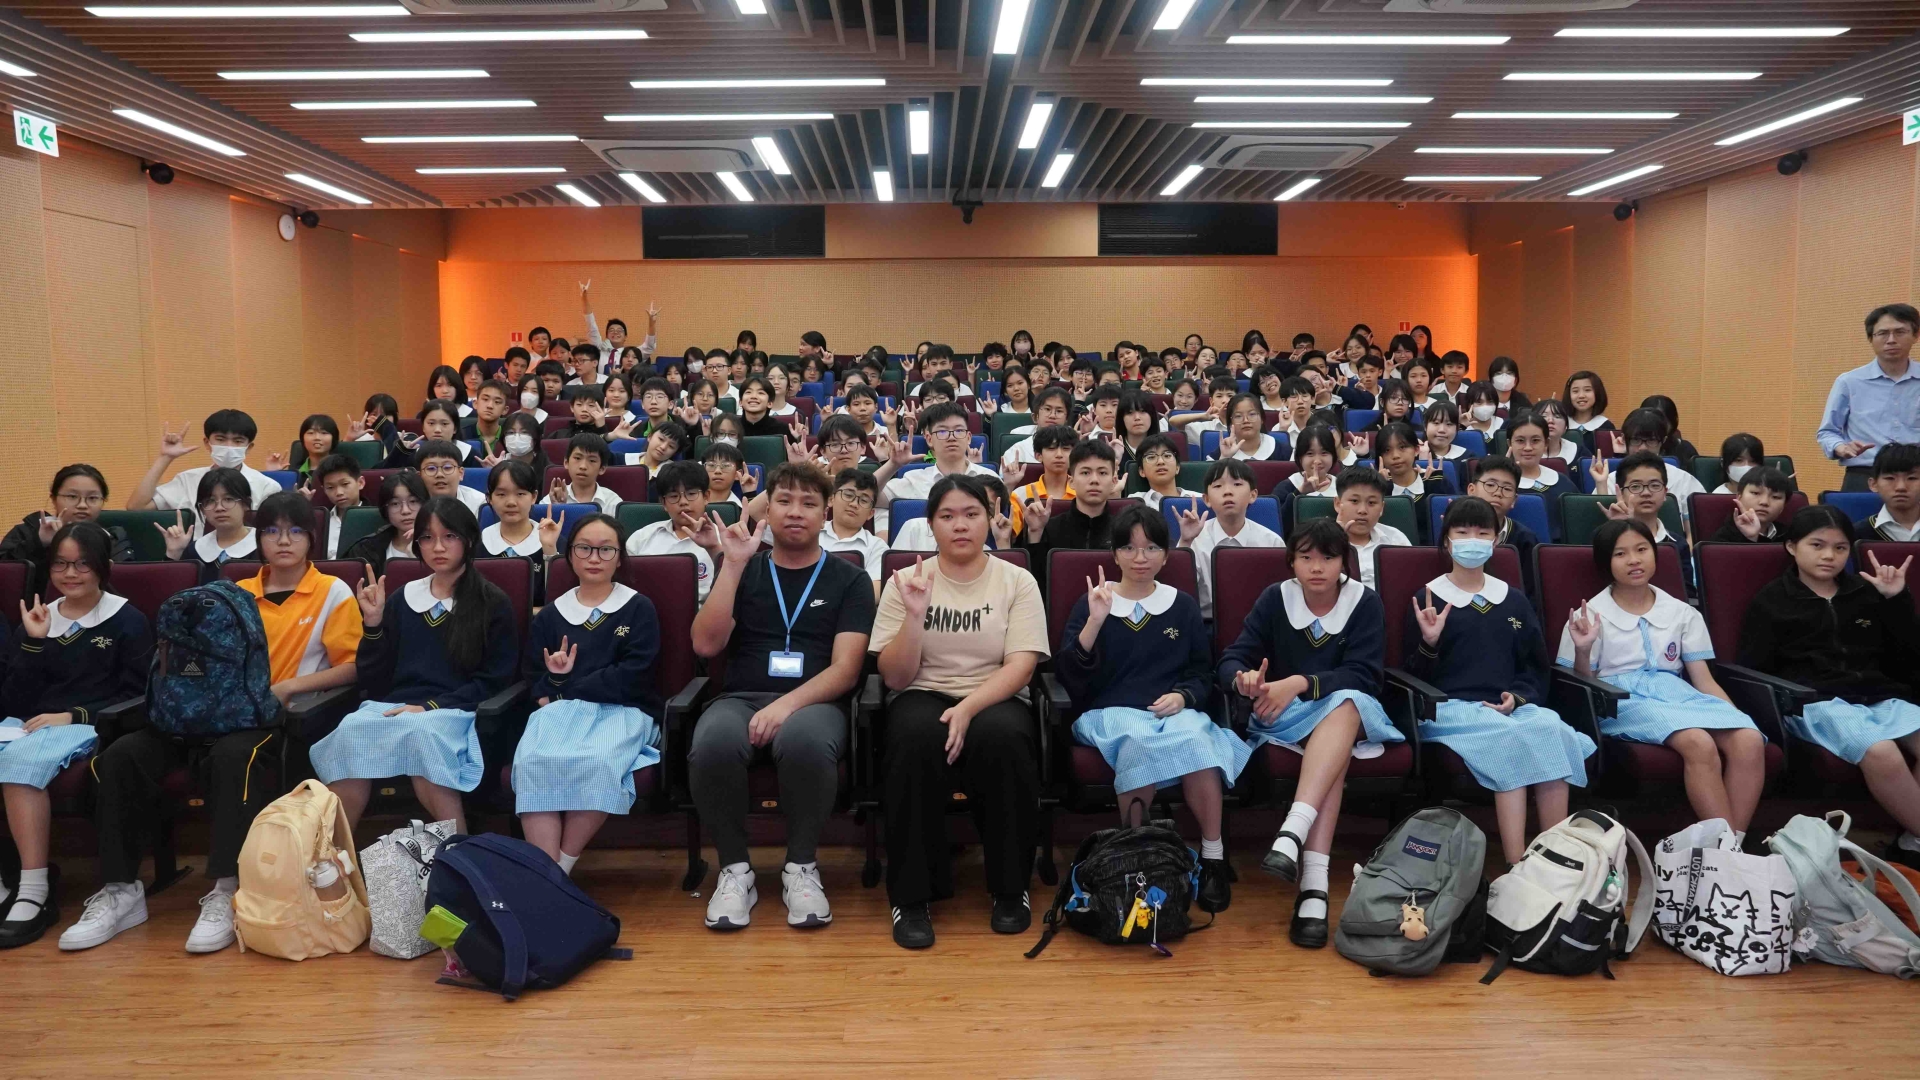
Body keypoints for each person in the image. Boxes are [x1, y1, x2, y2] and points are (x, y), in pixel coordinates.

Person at [70, 494, 364, 956]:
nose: (283, 541)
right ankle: (121, 890)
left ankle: (228, 888)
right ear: (258, 539)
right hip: (204, 711)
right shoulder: (233, 591)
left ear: (313, 538)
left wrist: (288, 687)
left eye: (295, 531)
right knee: (120, 757)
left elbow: (351, 666)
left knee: (234, 758)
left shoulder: (333, 591)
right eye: (271, 531)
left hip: (270, 717)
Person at [689, 463, 874, 931]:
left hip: (815, 702)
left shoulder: (850, 579)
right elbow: (705, 645)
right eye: (785, 501)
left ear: (825, 513)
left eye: (809, 503)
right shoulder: (743, 567)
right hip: (740, 697)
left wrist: (785, 706)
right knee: (712, 742)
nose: (795, 512)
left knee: (804, 740)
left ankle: (801, 868)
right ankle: (735, 871)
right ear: (766, 510)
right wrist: (731, 566)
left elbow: (847, 669)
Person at [873, 475, 1049, 949]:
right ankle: (912, 896)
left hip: (994, 693)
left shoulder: (1017, 579)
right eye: (947, 516)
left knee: (1005, 740)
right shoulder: (905, 580)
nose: (960, 525)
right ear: (930, 525)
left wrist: (969, 707)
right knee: (913, 740)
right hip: (922, 690)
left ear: (989, 519)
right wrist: (914, 616)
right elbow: (894, 677)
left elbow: (1022, 665)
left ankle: (1010, 889)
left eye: (971, 514)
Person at [1219, 518, 1402, 947]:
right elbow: (1232, 658)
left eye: (1328, 557)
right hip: (1286, 714)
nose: (1316, 567)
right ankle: (1312, 883)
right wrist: (1245, 680)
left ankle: (1296, 842)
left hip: (1344, 708)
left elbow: (1365, 675)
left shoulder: (1364, 602)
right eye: (1305, 557)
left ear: (1344, 562)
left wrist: (1299, 682)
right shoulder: (1275, 598)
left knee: (1347, 703)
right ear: (1291, 562)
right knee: (1334, 757)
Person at [1058, 507, 1243, 911]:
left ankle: (1213, 857)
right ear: (1114, 553)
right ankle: (1137, 859)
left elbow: (1201, 672)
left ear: (1165, 555)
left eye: (1151, 548)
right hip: (1108, 712)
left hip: (1171, 711)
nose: (1140, 558)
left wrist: (1183, 696)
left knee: (1198, 738)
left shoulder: (1182, 605)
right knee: (1137, 740)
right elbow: (1069, 676)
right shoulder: (1094, 602)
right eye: (1129, 548)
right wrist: (1095, 621)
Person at [1407, 496, 1594, 867]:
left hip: (1509, 708)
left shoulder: (1513, 599)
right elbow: (1411, 678)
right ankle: (1516, 864)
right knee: (1508, 738)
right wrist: (1429, 643)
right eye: (1462, 532)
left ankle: (1552, 858)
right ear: (1447, 540)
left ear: (1495, 541)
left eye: (1482, 533)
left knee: (1551, 728)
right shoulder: (1427, 597)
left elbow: (1534, 666)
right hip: (1450, 710)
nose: (1472, 540)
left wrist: (1517, 698)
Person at [312, 497, 518, 833]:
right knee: (351, 729)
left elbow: (494, 680)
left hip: (454, 710)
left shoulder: (491, 602)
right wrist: (373, 625)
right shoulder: (402, 598)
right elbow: (374, 680)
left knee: (423, 734)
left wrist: (428, 707)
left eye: (449, 536)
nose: (438, 547)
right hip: (396, 708)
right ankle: (334, 854)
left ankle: (457, 846)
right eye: (427, 538)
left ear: (469, 540)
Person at [1562, 519, 1765, 845]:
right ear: (1605, 562)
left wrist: (1733, 715)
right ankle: (1727, 852)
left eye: (1642, 550)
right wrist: (1583, 650)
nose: (1634, 560)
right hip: (1621, 698)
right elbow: (1584, 685)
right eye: (1620, 554)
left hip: (1676, 693)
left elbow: (1703, 679)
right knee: (1698, 742)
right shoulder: (1589, 615)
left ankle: (1730, 846)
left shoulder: (1682, 612)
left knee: (1750, 740)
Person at [1739, 506, 1920, 865]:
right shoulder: (1772, 601)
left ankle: (1912, 841)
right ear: (1792, 546)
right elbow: (1752, 668)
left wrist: (1896, 599)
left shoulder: (1865, 592)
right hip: (1814, 702)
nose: (1829, 556)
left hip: (1877, 695)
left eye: (1840, 548)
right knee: (1881, 750)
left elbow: (1906, 656)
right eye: (1817, 545)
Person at [0, 523, 152, 947]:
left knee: (20, 765)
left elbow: (140, 696)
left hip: (89, 725)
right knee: (18, 751)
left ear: (102, 567)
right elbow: (14, 699)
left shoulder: (127, 620)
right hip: (28, 725)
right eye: (61, 564)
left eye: (82, 564)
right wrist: (33, 642)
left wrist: (73, 715)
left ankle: (33, 891)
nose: (70, 574)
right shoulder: (39, 618)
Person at [514, 514, 661, 874]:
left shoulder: (638, 607)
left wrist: (566, 686)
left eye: (606, 549)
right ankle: (547, 873)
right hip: (560, 710)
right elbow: (534, 676)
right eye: (584, 548)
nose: (594, 557)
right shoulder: (551, 615)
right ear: (570, 555)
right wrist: (555, 683)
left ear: (620, 557)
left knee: (598, 762)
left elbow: (636, 674)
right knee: (532, 762)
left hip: (622, 710)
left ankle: (559, 871)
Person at [1818, 303, 1920, 491]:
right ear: (1871, 338)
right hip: (1864, 476)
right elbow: (1827, 432)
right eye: (1882, 333)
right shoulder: (1849, 382)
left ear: (1915, 335)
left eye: (1900, 332)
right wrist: (1841, 447)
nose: (1891, 340)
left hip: (1916, 476)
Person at [127, 410, 281, 535]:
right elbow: (136, 507)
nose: (229, 446)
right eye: (220, 439)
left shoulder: (267, 486)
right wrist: (165, 457)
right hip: (194, 555)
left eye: (238, 441)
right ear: (207, 443)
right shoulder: (187, 480)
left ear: (249, 447)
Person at [0, 465, 134, 597]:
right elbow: (6, 575)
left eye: (92, 498)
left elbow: (124, 585)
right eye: (72, 496)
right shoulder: (27, 532)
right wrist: (39, 542)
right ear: (54, 499)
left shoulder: (112, 538)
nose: (82, 505)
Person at [1178, 458, 1284, 621]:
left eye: (1237, 484)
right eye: (1218, 486)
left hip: (1261, 624)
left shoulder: (1272, 542)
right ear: (1206, 499)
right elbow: (1180, 590)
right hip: (1207, 623)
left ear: (1253, 495)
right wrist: (1185, 543)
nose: (1227, 491)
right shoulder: (1193, 539)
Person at [1021, 439, 1120, 580]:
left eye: (1102, 473)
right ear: (1071, 482)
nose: (1094, 480)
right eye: (1085, 473)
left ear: (1113, 482)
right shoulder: (1049, 528)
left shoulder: (1124, 530)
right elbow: (1033, 582)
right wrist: (1035, 533)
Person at [624, 460, 722, 602]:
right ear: (663, 503)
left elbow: (734, 586)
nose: (683, 502)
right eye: (674, 496)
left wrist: (714, 549)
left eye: (691, 494)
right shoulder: (641, 538)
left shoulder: (723, 539)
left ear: (706, 497)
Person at [1592, 408, 1705, 523]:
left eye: (1651, 441)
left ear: (1663, 441)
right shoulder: (1610, 481)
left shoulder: (1684, 480)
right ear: (1624, 440)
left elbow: (1699, 523)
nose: (1643, 448)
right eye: (1636, 440)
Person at [1603, 450, 1693, 594]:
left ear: (1665, 493)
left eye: (1655, 486)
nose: (1646, 493)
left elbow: (1687, 593)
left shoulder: (1678, 544)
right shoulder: (1605, 539)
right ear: (1621, 493)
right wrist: (1621, 530)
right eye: (1635, 486)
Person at [879, 403, 996, 510]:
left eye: (959, 430)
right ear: (929, 439)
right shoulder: (915, 480)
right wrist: (892, 464)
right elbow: (871, 498)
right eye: (942, 432)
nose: (951, 437)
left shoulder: (989, 478)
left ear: (968, 437)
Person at [158, 468, 257, 570]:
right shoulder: (195, 551)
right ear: (202, 509)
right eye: (210, 501)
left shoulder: (263, 546)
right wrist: (174, 553)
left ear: (246, 504)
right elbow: (175, 580)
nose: (219, 508)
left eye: (228, 499)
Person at [1333, 466, 1410, 590]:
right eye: (1354, 501)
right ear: (1338, 504)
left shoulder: (1395, 539)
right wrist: (1335, 540)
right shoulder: (1321, 541)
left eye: (1372, 503)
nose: (1362, 510)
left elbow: (1409, 580)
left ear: (1382, 508)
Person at [817, 467, 888, 595]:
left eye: (864, 500)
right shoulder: (811, 532)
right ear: (831, 499)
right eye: (848, 495)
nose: (854, 504)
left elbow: (874, 592)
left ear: (871, 513)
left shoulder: (877, 547)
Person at [346, 470, 428, 575]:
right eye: (395, 504)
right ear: (385, 509)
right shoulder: (365, 550)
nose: (405, 511)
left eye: (413, 501)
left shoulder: (442, 544)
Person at [541, 433, 622, 514]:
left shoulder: (612, 502)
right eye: (577, 458)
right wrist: (557, 509)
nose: (583, 466)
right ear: (566, 462)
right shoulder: (550, 500)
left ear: (602, 468)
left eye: (592, 460)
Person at [1711, 466, 1793, 543]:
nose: (1764, 502)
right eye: (1755, 493)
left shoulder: (1790, 537)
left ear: (1783, 506)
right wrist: (1751, 539)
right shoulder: (1723, 538)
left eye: (1775, 497)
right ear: (1739, 497)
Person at [309, 453, 366, 560]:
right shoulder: (319, 521)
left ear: (360, 483)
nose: (339, 492)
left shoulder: (377, 517)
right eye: (330, 487)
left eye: (345, 484)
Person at [1134, 432, 1203, 511]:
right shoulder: (1135, 502)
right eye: (1151, 457)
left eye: (1167, 456)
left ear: (1177, 467)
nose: (1160, 462)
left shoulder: (1200, 499)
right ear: (1142, 471)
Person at [417, 439, 485, 517]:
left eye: (447, 467)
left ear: (461, 473)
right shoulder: (411, 504)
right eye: (431, 468)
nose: (439, 474)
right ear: (419, 476)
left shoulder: (479, 504)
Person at [1867, 442, 1920, 541]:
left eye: (1911, 478)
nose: (1901, 487)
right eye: (1890, 478)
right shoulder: (1858, 533)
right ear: (1873, 484)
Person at [1218, 392, 1284, 462]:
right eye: (1238, 416)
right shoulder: (1223, 451)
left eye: (1252, 414)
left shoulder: (1282, 450)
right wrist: (1225, 457)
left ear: (1262, 419)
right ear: (1231, 423)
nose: (1246, 420)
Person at [1562, 370, 1615, 439]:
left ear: (1597, 393)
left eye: (1587, 390)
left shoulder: (1606, 427)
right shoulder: (1562, 425)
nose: (1581, 395)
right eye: (1575, 391)